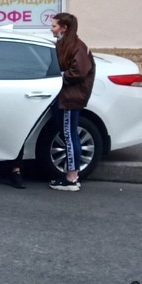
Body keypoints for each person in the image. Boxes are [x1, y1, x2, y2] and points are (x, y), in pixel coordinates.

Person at [49, 12, 95, 192]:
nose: (51, 29)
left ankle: (71, 178)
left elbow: (79, 72)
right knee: (68, 135)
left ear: (64, 28)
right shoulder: (66, 44)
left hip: (70, 98)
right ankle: (71, 175)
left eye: (54, 26)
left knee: (69, 136)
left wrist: (60, 77)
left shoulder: (77, 46)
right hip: (66, 97)